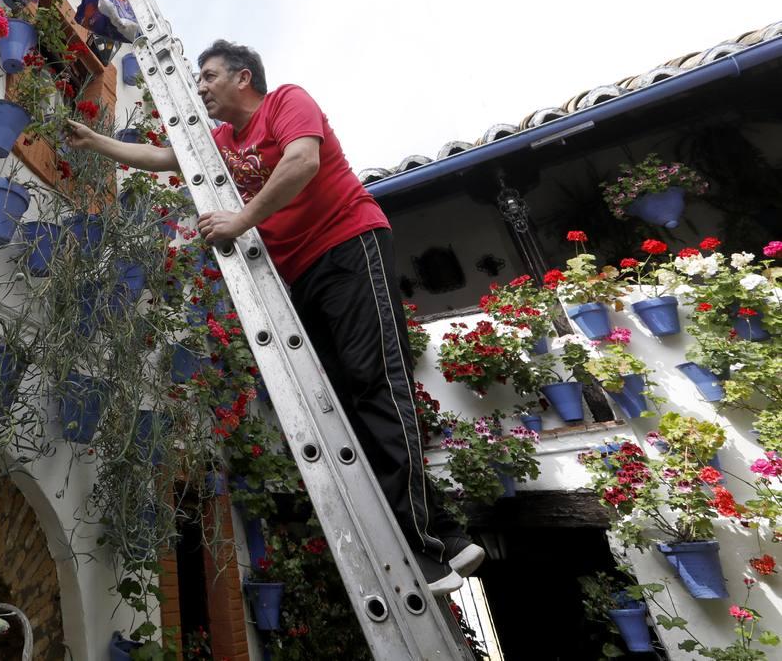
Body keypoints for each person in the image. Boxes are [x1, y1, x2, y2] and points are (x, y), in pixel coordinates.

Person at [66, 39, 483, 595]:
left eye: (209, 76)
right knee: (343, 400)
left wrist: (239, 219)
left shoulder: (286, 101)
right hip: (302, 274)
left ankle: (432, 538)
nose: (201, 86)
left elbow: (302, 162)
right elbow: (165, 157)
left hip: (348, 243)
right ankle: (437, 542)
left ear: (243, 78)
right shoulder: (221, 142)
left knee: (374, 380)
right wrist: (95, 141)